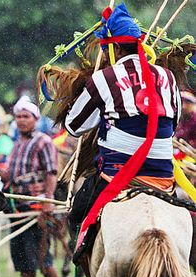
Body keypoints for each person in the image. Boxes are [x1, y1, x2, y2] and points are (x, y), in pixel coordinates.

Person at [64, 4, 182, 243]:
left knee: (77, 214)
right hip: (162, 176)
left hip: (116, 175)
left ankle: (81, 257)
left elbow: (73, 127)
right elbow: (174, 122)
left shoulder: (104, 78)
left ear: (115, 48)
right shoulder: (167, 77)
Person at [0, 96, 67, 277]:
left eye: (25, 116)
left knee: (41, 257)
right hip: (17, 207)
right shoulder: (17, 143)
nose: (21, 121)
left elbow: (51, 173)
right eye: (18, 117)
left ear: (35, 119)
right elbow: (9, 175)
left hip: (36, 207)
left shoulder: (44, 142)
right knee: (21, 257)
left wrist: (47, 201)